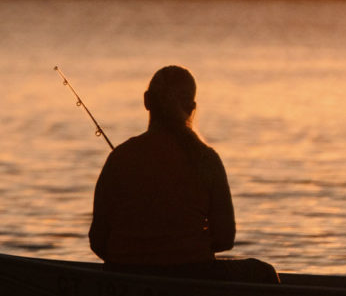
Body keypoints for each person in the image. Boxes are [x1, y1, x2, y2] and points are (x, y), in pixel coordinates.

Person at [89, 65, 279, 284]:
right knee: (263, 272)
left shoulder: (120, 158)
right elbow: (225, 238)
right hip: (192, 274)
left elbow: (98, 241)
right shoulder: (207, 159)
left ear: (147, 101)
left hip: (123, 275)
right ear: (192, 107)